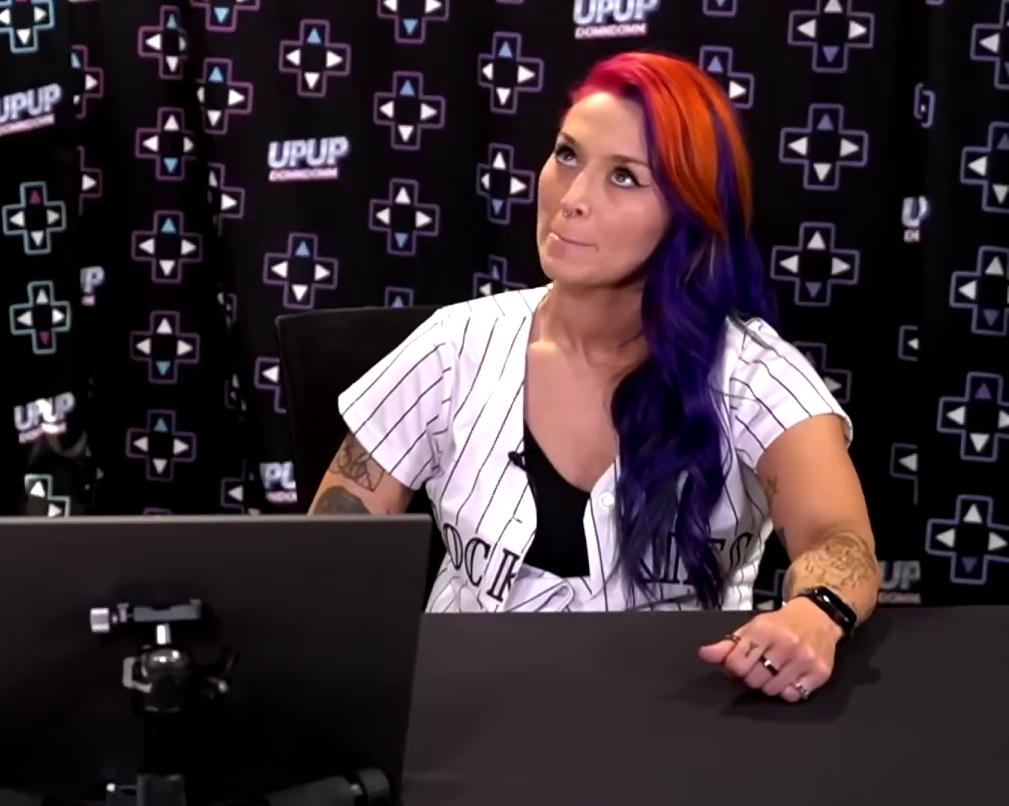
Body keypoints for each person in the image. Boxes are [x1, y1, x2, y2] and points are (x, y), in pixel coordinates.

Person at [308, 51, 875, 703]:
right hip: (461, 709)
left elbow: (839, 538)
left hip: (674, 716)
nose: (572, 199)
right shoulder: (453, 347)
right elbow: (337, 543)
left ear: (689, 215)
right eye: (568, 155)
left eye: (625, 177)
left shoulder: (751, 376)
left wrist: (817, 611)